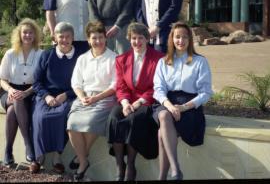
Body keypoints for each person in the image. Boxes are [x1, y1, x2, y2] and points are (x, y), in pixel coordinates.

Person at [152, 21, 213, 180]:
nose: (181, 40)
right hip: (166, 102)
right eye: (177, 37)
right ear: (172, 39)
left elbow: (206, 93)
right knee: (164, 115)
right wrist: (170, 106)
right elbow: (158, 90)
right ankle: (175, 169)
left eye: (185, 37)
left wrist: (184, 107)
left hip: (190, 106)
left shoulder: (200, 61)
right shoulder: (163, 62)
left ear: (190, 40)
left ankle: (163, 177)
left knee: (161, 133)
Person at [106, 22, 164, 181]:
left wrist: (138, 102)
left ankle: (130, 164)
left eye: (140, 38)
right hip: (127, 101)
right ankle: (120, 165)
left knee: (134, 120)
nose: (137, 42)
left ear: (147, 39)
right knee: (114, 118)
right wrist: (125, 103)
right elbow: (121, 85)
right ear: (129, 39)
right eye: (133, 38)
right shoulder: (121, 59)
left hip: (146, 102)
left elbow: (157, 86)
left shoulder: (158, 58)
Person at [66, 21, 117, 181]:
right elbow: (76, 82)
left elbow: (115, 85)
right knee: (72, 124)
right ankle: (84, 159)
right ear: (88, 40)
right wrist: (81, 97)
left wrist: (96, 97)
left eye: (101, 37)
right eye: (94, 38)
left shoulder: (114, 57)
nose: (98, 41)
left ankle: (81, 161)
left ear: (105, 38)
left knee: (91, 123)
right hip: (84, 97)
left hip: (105, 98)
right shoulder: (83, 59)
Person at [31, 22, 80, 174]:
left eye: (68, 37)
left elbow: (84, 83)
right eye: (61, 37)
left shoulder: (80, 57)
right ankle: (39, 157)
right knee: (40, 117)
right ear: (55, 38)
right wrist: (46, 96)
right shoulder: (46, 55)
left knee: (61, 116)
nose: (64, 40)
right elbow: (37, 82)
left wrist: (66, 95)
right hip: (45, 95)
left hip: (69, 95)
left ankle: (57, 158)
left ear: (73, 38)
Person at [0, 18, 43, 172]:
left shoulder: (40, 54)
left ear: (35, 35)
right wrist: (11, 90)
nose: (27, 35)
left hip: (31, 91)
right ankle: (28, 146)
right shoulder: (10, 53)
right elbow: (2, 79)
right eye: (25, 32)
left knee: (12, 112)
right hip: (9, 91)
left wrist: (26, 92)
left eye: (31, 32)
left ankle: (8, 151)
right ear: (19, 34)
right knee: (16, 101)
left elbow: (40, 81)